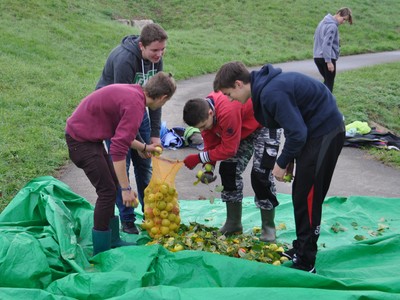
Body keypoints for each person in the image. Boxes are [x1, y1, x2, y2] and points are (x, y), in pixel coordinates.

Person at [213, 61, 345, 273]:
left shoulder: (270, 92)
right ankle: (301, 248)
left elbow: (298, 133)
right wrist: (291, 159)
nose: (230, 99)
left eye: (229, 94)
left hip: (325, 132)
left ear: (238, 84)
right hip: (313, 133)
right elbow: (295, 124)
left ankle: (306, 261)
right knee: (300, 193)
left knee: (308, 196)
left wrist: (281, 163)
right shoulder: (265, 88)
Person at [65, 72, 176, 255]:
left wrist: (143, 146)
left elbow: (121, 135)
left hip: (88, 138)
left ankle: (113, 239)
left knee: (111, 187)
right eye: (165, 102)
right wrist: (126, 189)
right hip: (80, 142)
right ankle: (101, 250)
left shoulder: (134, 94)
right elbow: (117, 150)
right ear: (163, 97)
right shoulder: (136, 106)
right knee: (108, 191)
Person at [95, 23, 168, 234]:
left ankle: (150, 213)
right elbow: (123, 107)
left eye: (162, 49)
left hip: (138, 110)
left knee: (145, 165)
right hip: (114, 115)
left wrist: (154, 136)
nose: (159, 54)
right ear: (141, 45)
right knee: (121, 166)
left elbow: (157, 98)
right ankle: (127, 219)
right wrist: (138, 144)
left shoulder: (156, 60)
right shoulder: (125, 60)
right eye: (155, 50)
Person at [182, 91, 281, 242]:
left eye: (203, 126)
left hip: (265, 124)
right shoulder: (205, 114)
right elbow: (211, 143)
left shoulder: (227, 110)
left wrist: (198, 158)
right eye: (199, 129)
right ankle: (233, 223)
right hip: (240, 130)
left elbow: (229, 149)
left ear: (211, 112)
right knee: (228, 170)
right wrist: (209, 167)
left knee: (261, 174)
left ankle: (268, 227)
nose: (202, 131)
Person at [313, 7, 353, 92]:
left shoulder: (322, 22)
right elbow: (327, 44)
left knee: (326, 82)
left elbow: (315, 38)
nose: (343, 22)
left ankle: (318, 101)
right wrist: (329, 61)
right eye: (344, 19)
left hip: (317, 57)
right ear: (338, 14)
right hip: (327, 58)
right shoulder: (332, 26)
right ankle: (326, 104)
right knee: (329, 84)